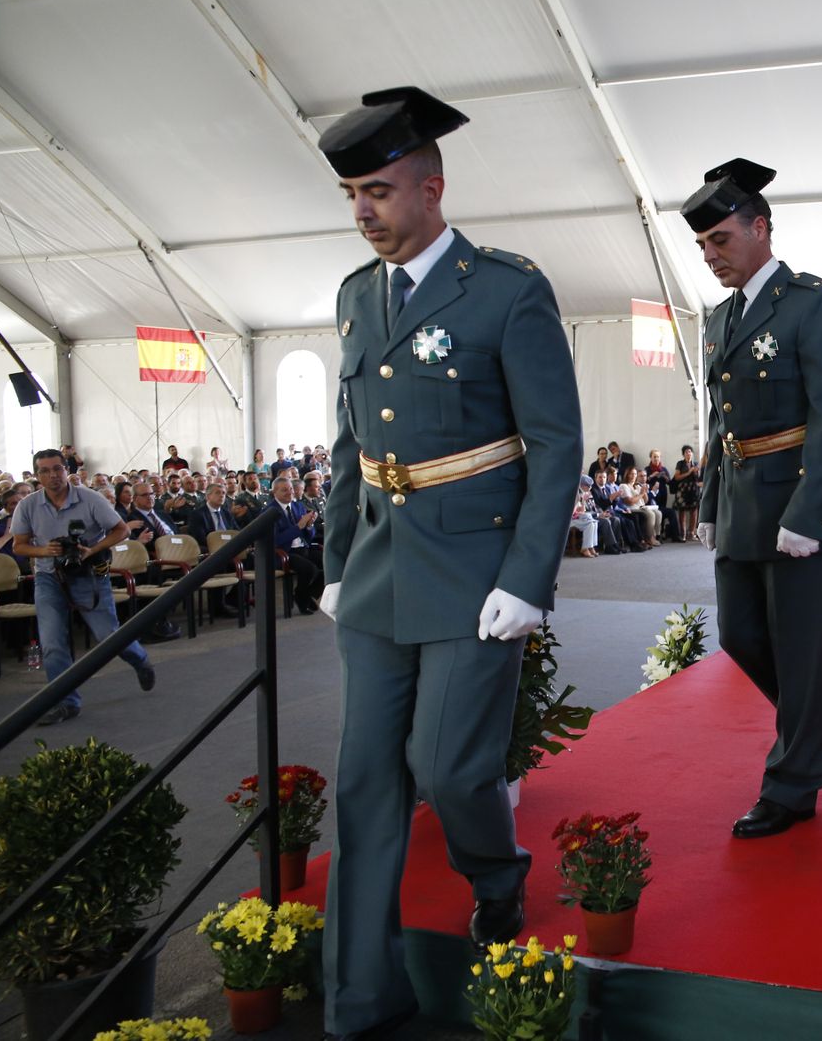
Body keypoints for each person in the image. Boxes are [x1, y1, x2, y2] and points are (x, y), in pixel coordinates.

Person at [314, 85, 583, 1039]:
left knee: (449, 765)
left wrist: (528, 579)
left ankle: (497, 876)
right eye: (352, 193)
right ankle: (359, 997)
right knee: (362, 781)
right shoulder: (356, 297)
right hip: (381, 575)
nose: (362, 211)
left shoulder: (507, 290)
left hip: (477, 575)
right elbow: (349, 446)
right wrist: (338, 557)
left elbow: (556, 445)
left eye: (378, 191)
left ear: (431, 186)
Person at [684, 157, 822, 839]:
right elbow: (719, 417)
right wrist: (707, 501)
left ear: (760, 228)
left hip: (794, 501)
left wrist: (808, 508)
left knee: (795, 649)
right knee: (741, 635)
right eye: (702, 246)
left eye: (721, 240)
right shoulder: (719, 316)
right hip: (738, 501)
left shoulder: (812, 302)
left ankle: (791, 785)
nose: (710, 256)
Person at [10, 449, 156, 725]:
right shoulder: (27, 506)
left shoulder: (90, 499)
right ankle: (66, 702)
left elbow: (121, 530)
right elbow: (19, 545)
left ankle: (139, 659)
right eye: (45, 471)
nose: (52, 475)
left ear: (67, 470)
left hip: (89, 574)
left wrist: (91, 550)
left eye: (57, 469)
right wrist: (45, 551)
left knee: (108, 637)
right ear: (37, 475)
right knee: (52, 643)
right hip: (49, 577)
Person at [272, 480, 323, 614]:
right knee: (309, 569)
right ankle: (302, 597)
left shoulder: (298, 506)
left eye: (290, 489)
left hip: (303, 547)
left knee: (330, 562)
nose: (289, 492)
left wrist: (309, 525)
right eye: (284, 490)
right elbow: (275, 541)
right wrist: (298, 527)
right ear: (274, 492)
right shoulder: (270, 511)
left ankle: (305, 594)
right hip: (283, 552)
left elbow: (309, 535)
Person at [672, 445, 701, 540]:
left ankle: (691, 533)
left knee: (694, 511)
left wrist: (696, 472)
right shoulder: (680, 464)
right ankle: (682, 533)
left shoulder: (696, 463)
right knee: (682, 511)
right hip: (683, 489)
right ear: (683, 454)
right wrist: (689, 472)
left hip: (694, 489)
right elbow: (677, 477)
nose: (688, 453)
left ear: (692, 453)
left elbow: (699, 478)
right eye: (686, 452)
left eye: (690, 452)